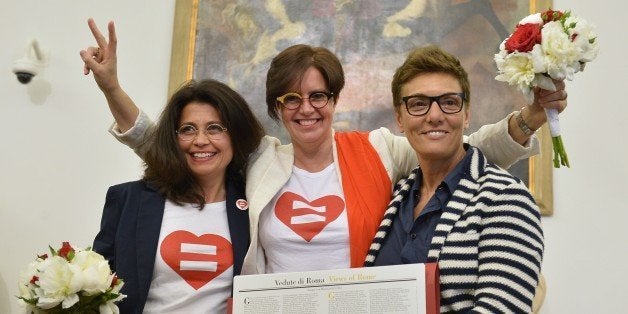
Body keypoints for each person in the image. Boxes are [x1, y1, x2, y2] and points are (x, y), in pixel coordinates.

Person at [81, 19, 565, 276]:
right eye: (292, 98)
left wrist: (531, 117)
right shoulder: (259, 161)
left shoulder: (377, 149)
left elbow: (457, 143)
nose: (306, 108)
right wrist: (111, 90)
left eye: (318, 96)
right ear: (276, 107)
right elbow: (170, 148)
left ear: (334, 100)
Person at [364, 45, 543, 313]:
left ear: (466, 114)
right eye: (418, 104)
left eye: (449, 102)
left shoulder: (506, 199)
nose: (434, 116)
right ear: (399, 119)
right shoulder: (395, 198)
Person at [92, 79, 264, 313]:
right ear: (173, 139)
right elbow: (95, 289)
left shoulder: (256, 205)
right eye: (188, 129)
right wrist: (110, 86)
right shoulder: (129, 200)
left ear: (236, 136)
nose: (200, 140)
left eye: (215, 128)